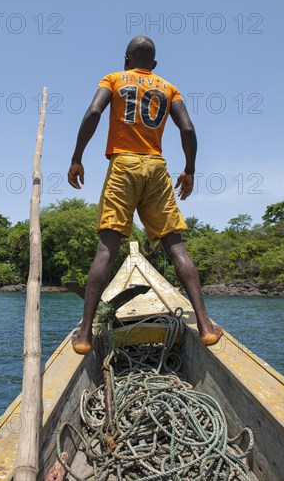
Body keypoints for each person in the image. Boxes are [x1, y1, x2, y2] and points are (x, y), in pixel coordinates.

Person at [67, 36, 223, 354]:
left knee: (106, 250)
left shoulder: (113, 79)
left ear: (126, 59)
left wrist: (77, 157)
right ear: (153, 65)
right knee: (175, 247)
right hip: (156, 168)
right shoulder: (168, 88)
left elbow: (93, 113)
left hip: (123, 165)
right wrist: (189, 169)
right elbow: (188, 130)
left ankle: (84, 334)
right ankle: (206, 325)